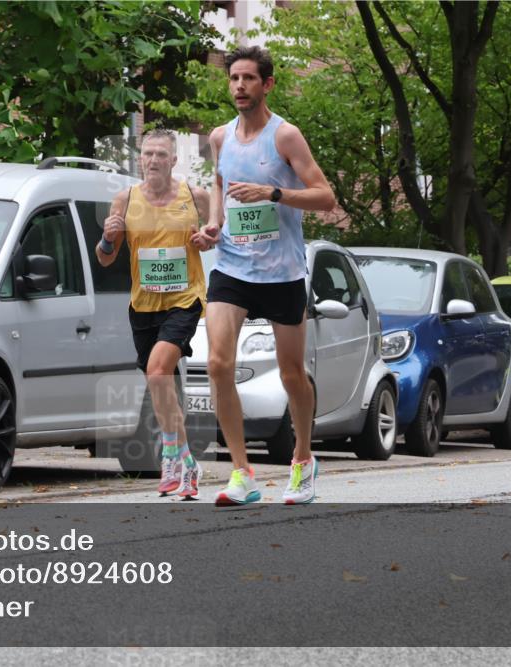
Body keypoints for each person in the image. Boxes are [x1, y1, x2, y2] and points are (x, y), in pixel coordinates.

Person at [192, 46, 336, 506]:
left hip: (282, 272)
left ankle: (303, 458)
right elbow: (219, 182)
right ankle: (241, 474)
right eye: (234, 78)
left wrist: (274, 192)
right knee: (217, 363)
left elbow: (325, 197)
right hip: (233, 266)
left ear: (267, 84)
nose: (239, 86)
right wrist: (214, 223)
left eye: (249, 78)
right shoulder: (219, 137)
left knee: (293, 373)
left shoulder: (285, 137)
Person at [96, 129, 211, 499]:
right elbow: (105, 258)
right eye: (148, 154)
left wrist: (206, 238)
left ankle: (171, 456)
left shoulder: (196, 197)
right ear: (140, 158)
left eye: (161, 154)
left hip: (184, 298)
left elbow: (214, 238)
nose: (154, 160)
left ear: (174, 160)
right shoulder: (124, 199)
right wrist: (108, 238)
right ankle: (186, 460)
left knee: (159, 370)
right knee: (158, 381)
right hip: (142, 304)